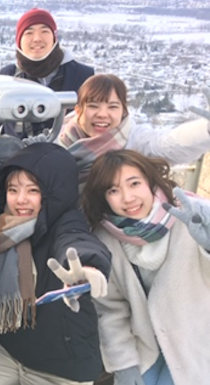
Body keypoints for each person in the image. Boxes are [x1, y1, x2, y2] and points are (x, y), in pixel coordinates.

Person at [0, 143, 111, 384]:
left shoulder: (65, 221)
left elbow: (76, 240)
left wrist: (86, 268)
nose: (21, 200)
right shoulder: (1, 226)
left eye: (33, 190)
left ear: (52, 192)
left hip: (63, 366)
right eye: (13, 189)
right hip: (13, 352)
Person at [82, 149, 210, 385]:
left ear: (151, 183)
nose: (127, 197)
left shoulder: (191, 218)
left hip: (197, 343)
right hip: (147, 346)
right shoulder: (105, 239)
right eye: (113, 190)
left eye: (134, 184)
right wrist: (123, 365)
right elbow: (110, 310)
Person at [56, 73, 210, 188]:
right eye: (93, 106)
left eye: (113, 107)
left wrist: (206, 129)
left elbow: (167, 145)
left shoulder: (133, 139)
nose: (102, 114)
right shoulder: (58, 140)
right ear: (78, 110)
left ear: (123, 111)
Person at [0, 8, 94, 138]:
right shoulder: (7, 76)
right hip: (17, 155)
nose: (37, 38)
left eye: (44, 31)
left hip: (69, 155)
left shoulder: (84, 76)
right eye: (29, 32)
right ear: (19, 41)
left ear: (54, 37)